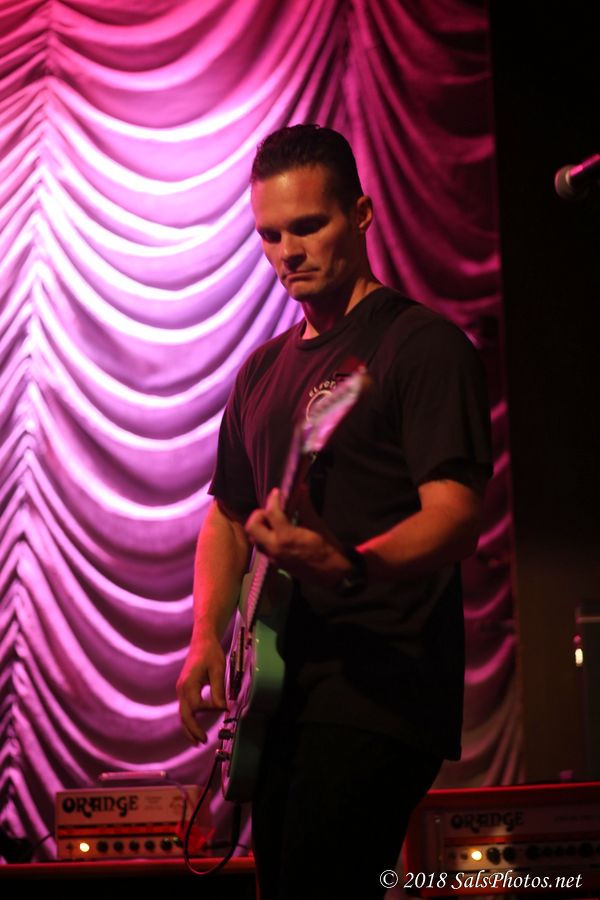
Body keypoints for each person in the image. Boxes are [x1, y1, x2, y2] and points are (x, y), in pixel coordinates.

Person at [176, 124, 492, 899]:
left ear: (362, 214)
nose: (287, 252)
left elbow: (455, 516)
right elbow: (228, 517)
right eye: (270, 235)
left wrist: (349, 564)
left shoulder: (420, 346)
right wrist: (205, 634)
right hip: (280, 690)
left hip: (381, 685)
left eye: (308, 226)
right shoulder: (261, 371)